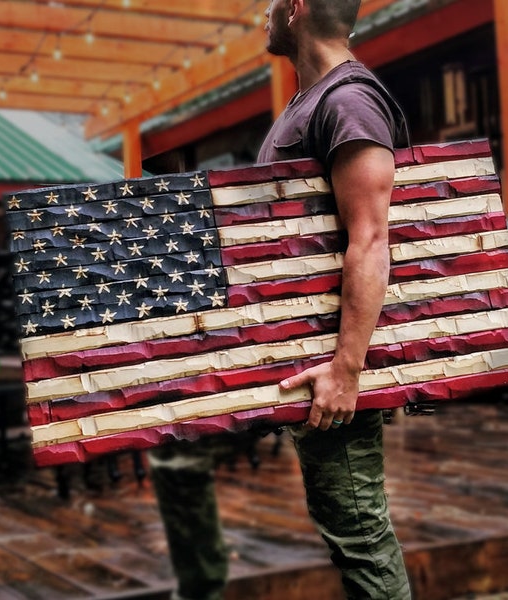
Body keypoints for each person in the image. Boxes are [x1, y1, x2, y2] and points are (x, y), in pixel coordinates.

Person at [148, 1, 412, 598]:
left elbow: (370, 239)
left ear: (295, 9)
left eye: (269, 4)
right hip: (268, 348)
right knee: (177, 453)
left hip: (324, 364)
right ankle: (201, 589)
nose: (260, 16)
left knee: (357, 534)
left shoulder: (348, 101)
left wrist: (346, 369)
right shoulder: (307, 104)